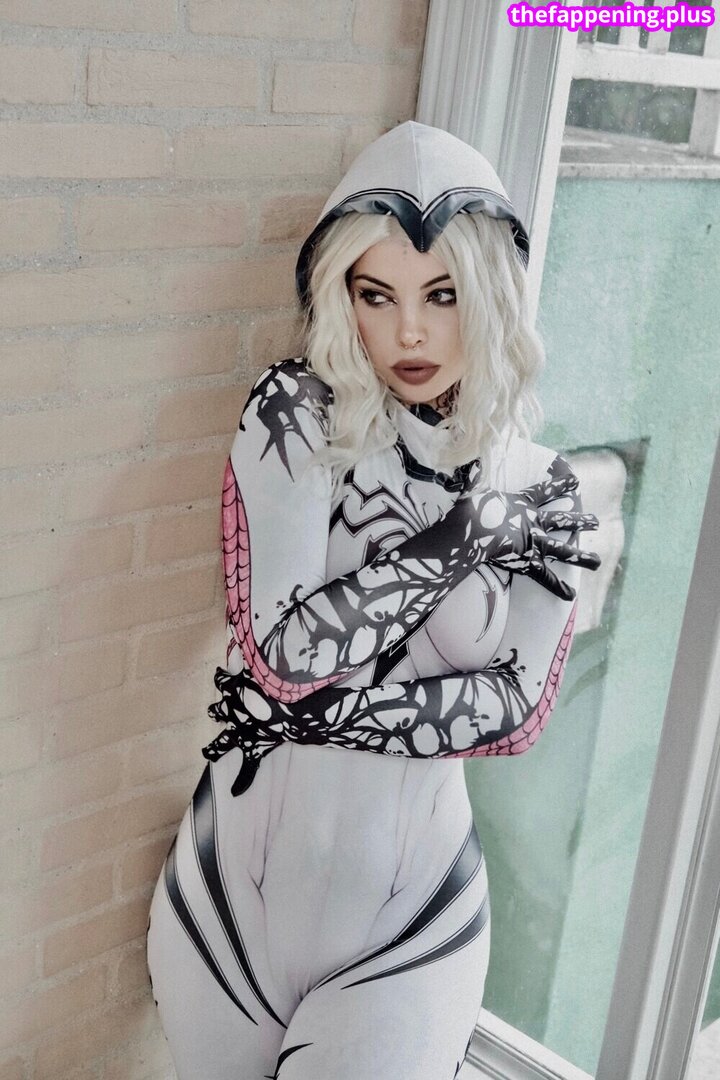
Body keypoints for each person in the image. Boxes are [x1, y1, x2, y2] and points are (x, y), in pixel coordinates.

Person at [145, 120, 601, 1080]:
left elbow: (514, 713)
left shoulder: (546, 486)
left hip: (413, 923)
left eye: (442, 293)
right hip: (226, 902)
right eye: (376, 294)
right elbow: (285, 655)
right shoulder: (296, 413)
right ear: (340, 294)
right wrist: (468, 538)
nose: (408, 332)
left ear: (490, 291)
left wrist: (318, 714)